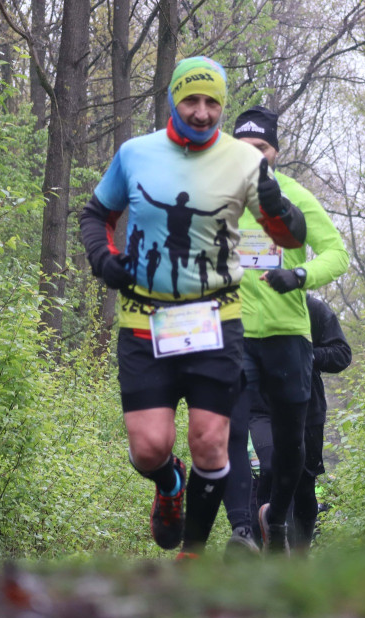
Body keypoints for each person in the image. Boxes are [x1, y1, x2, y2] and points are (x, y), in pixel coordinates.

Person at [78, 58, 307, 560]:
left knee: (211, 441)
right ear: (173, 100)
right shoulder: (135, 154)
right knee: (148, 448)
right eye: (191, 101)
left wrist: (279, 207)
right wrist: (103, 258)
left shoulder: (244, 160)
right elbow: (96, 215)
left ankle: (193, 553)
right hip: (144, 321)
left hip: (215, 321)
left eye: (212, 103)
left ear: (222, 105)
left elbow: (289, 238)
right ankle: (169, 482)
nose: (202, 112)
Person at [221, 105, 349, 557]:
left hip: (288, 336)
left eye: (262, 147)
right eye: (244, 148)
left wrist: (300, 276)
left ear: (275, 152)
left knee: (293, 450)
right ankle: (241, 531)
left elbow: (336, 254)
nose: (253, 156)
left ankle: (275, 519)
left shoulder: (295, 195)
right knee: (234, 436)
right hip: (235, 335)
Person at [246, 294, 351, 553]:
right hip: (261, 409)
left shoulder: (312, 308)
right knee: (269, 471)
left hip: (306, 411)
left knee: (304, 487)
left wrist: (305, 355)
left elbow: (342, 354)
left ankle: (301, 558)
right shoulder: (247, 306)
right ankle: (271, 550)